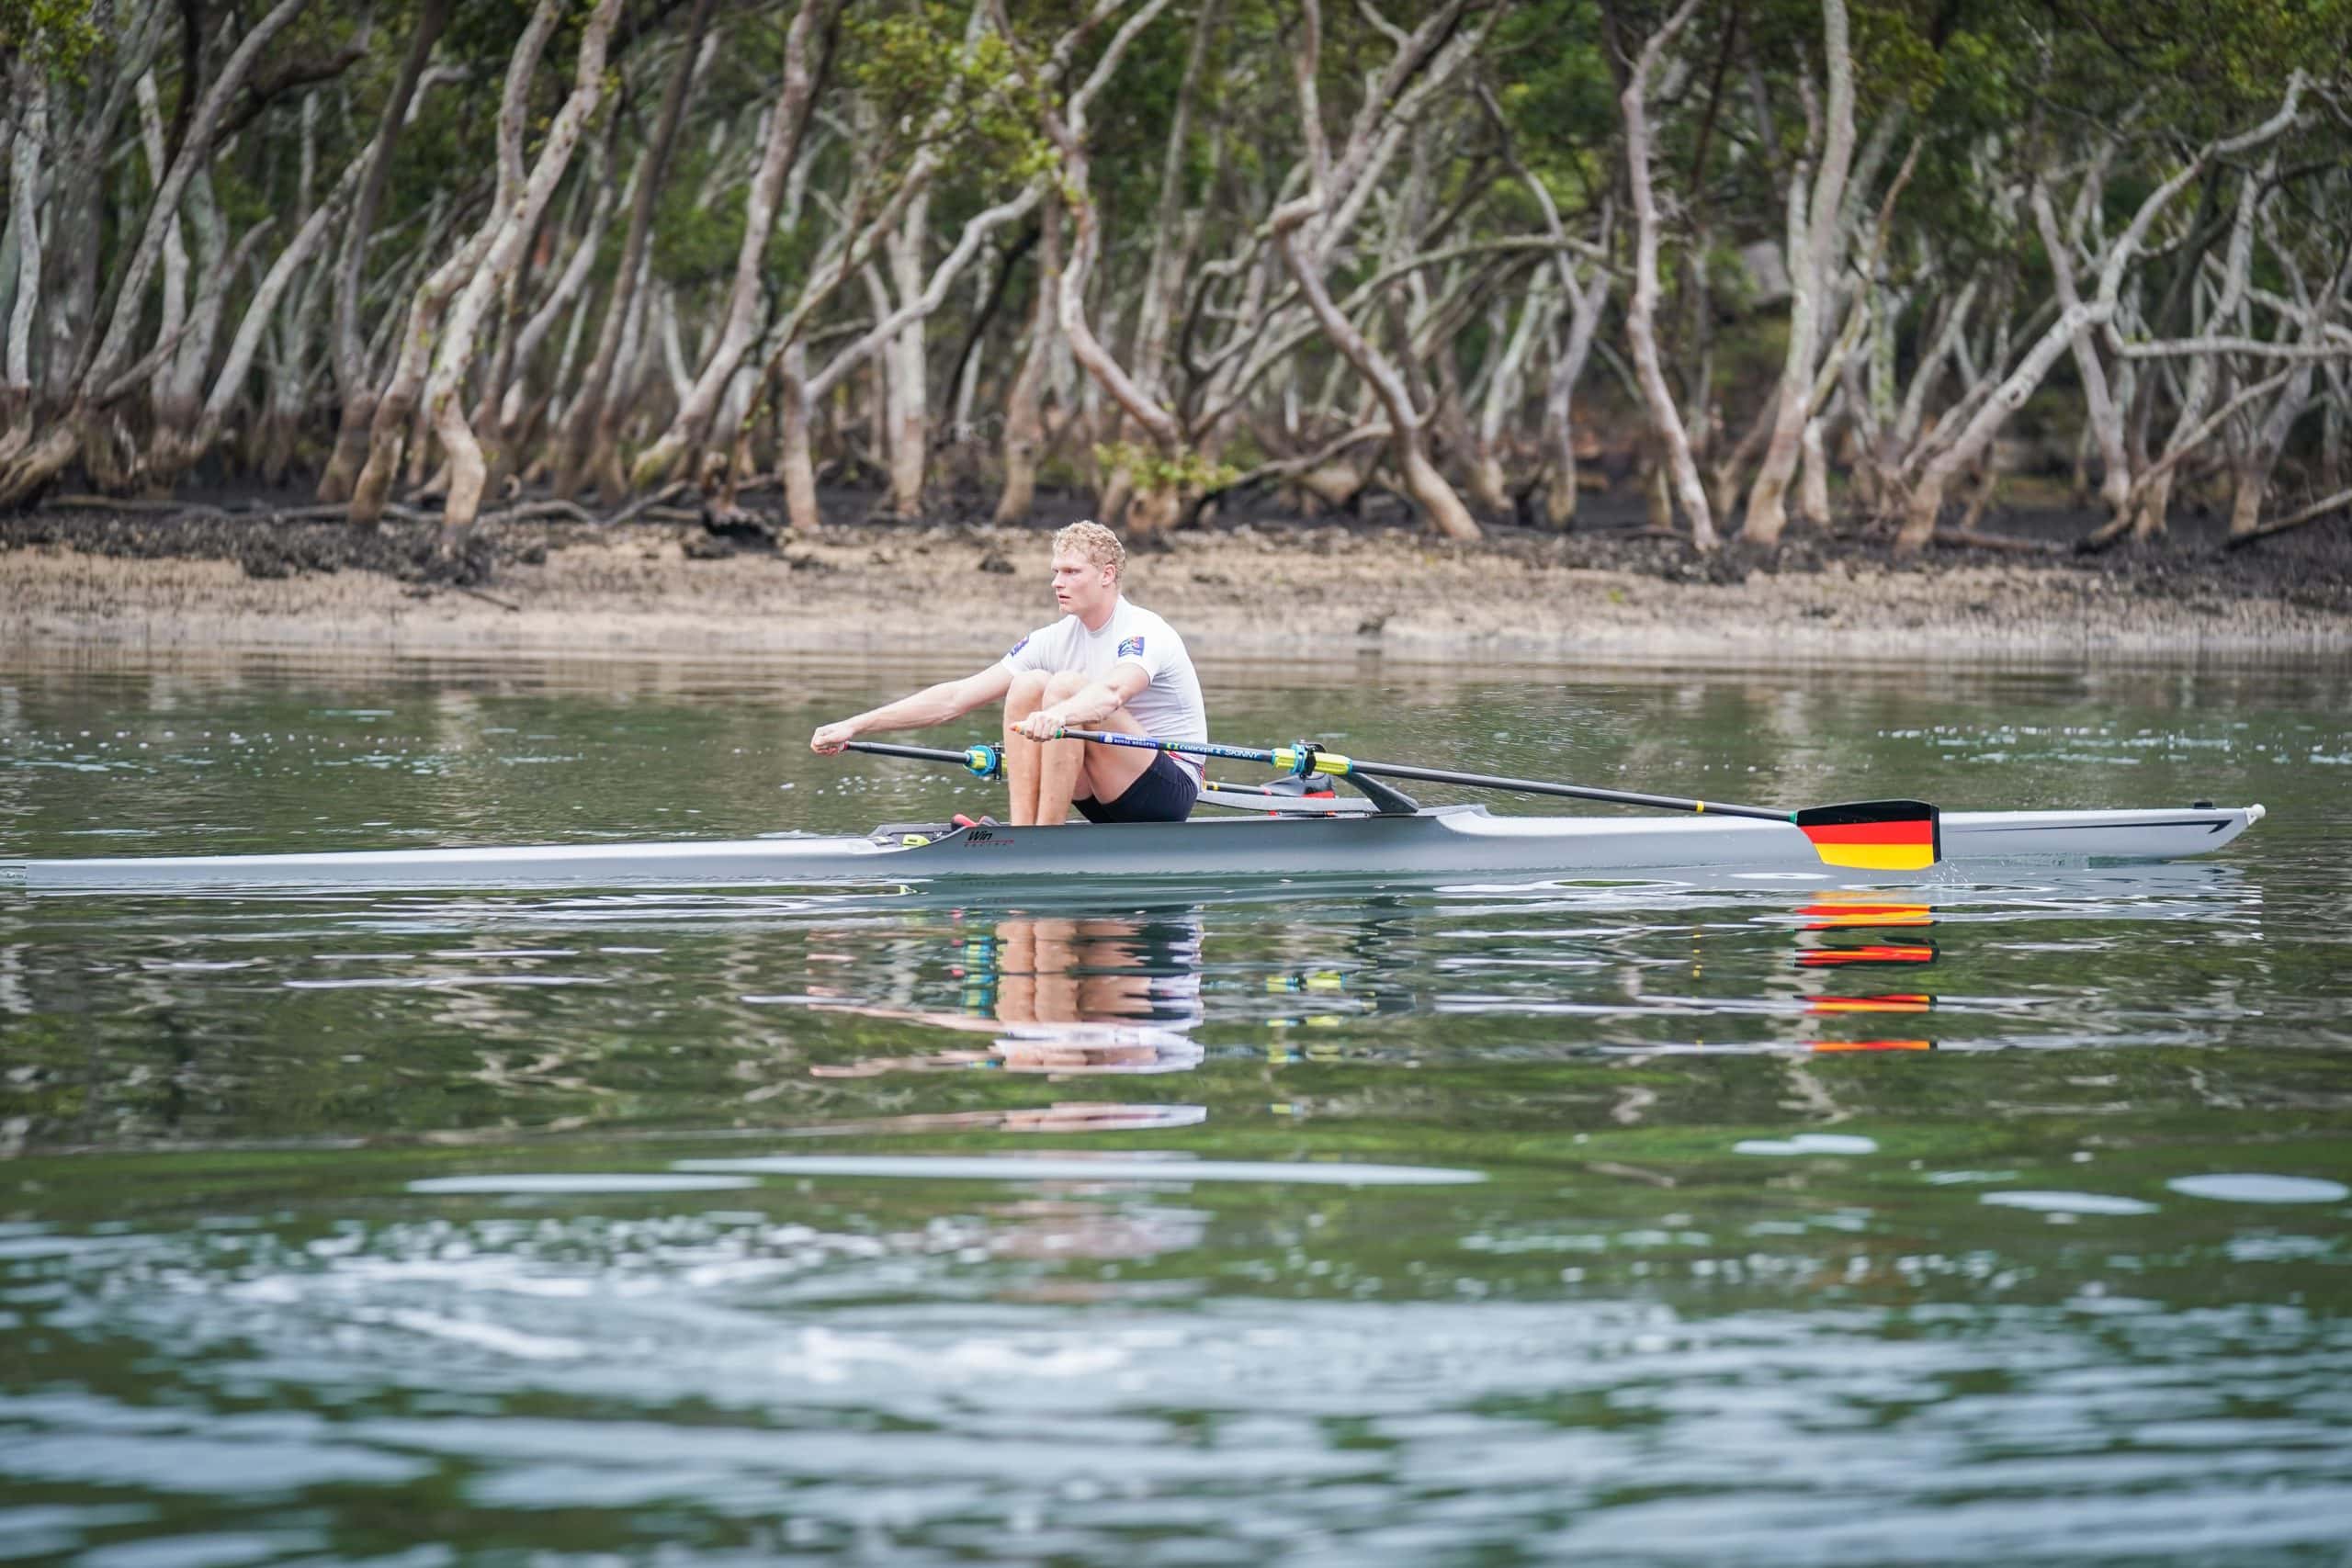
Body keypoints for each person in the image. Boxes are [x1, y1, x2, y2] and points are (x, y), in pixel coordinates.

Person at [808, 520, 1208, 825]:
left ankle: (1043, 840)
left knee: (1065, 687)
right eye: (1055, 572)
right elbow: (954, 699)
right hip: (1102, 791)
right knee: (1028, 684)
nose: (1057, 582)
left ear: (1106, 575)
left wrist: (1059, 714)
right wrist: (855, 725)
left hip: (1168, 788)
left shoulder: (1143, 631)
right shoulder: (1053, 639)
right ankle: (1024, 832)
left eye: (1071, 572)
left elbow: (1113, 693)